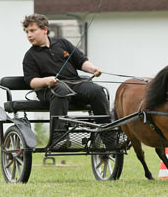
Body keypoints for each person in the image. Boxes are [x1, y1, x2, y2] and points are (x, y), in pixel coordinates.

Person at [21, 13, 113, 148]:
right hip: (49, 90)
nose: (29, 35)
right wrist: (47, 81)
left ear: (45, 29)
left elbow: (81, 62)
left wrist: (93, 69)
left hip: (74, 84)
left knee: (98, 91)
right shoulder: (30, 56)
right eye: (27, 32)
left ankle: (109, 136)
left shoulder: (62, 43)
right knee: (61, 90)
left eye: (33, 30)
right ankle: (58, 138)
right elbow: (32, 81)